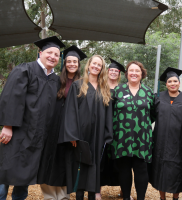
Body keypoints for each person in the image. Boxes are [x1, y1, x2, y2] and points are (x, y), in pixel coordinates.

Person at [0, 36, 65, 200]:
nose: (52, 56)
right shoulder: (25, 70)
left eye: (56, 55)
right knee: (5, 171)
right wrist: (7, 126)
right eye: (49, 52)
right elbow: (11, 98)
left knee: (25, 174)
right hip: (17, 132)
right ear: (40, 53)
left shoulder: (56, 80)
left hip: (36, 136)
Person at [60, 55, 113, 200]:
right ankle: (79, 196)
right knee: (80, 167)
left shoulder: (104, 87)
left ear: (102, 69)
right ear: (88, 65)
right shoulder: (78, 85)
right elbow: (70, 110)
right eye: (94, 63)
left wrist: (107, 134)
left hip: (98, 134)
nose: (96, 66)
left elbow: (108, 112)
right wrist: (72, 135)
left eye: (99, 65)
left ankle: (91, 196)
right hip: (81, 135)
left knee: (94, 167)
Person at [37, 45, 87, 200]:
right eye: (68, 61)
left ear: (79, 65)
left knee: (67, 162)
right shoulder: (56, 80)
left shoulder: (84, 84)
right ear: (64, 64)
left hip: (71, 129)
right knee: (49, 160)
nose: (72, 64)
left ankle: (64, 196)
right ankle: (50, 196)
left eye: (75, 62)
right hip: (53, 126)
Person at [111, 61, 155, 200]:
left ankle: (141, 198)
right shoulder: (118, 90)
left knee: (141, 169)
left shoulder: (148, 92)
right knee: (124, 170)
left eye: (137, 71)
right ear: (126, 74)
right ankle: (126, 197)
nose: (134, 73)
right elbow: (111, 113)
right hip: (122, 138)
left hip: (142, 138)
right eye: (131, 70)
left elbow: (152, 114)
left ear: (142, 74)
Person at [150, 67, 182, 200]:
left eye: (175, 81)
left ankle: (175, 197)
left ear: (179, 83)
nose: (173, 83)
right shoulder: (158, 97)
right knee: (160, 168)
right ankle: (162, 198)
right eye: (170, 81)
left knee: (176, 171)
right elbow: (151, 115)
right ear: (166, 84)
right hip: (160, 140)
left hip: (178, 142)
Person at [97, 58, 128, 200]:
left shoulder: (123, 89)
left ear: (119, 74)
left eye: (116, 71)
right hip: (102, 128)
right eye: (112, 70)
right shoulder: (100, 86)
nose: (114, 72)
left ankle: (124, 190)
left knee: (122, 161)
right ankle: (97, 190)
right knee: (100, 159)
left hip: (120, 129)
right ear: (107, 71)